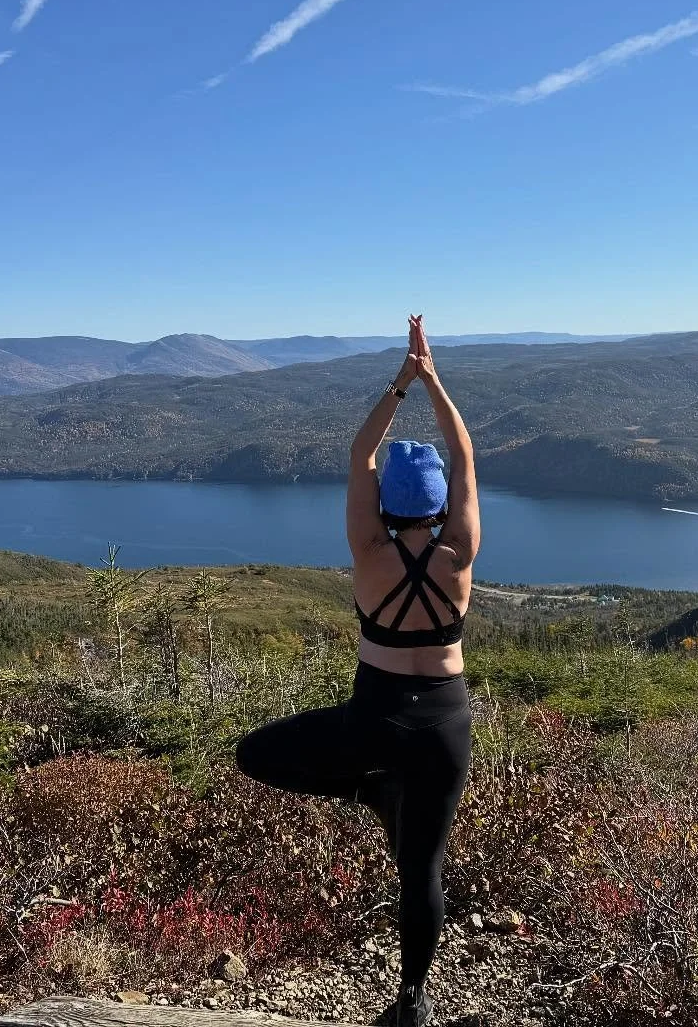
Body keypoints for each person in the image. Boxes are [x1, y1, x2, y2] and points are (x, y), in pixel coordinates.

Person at [236, 315, 480, 1027]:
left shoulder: (369, 550)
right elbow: (463, 454)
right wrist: (434, 381)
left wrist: (401, 383)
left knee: (256, 753)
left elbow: (360, 454)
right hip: (446, 722)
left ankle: (369, 790)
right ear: (438, 503)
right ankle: (412, 1001)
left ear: (386, 500)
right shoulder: (459, 553)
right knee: (423, 868)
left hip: (374, 718)